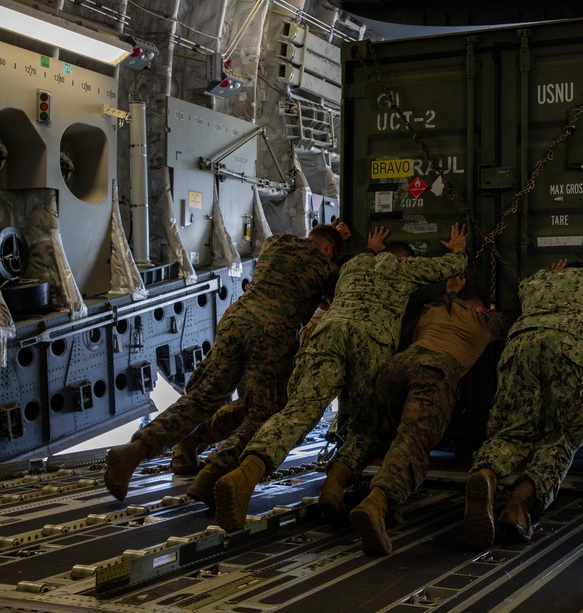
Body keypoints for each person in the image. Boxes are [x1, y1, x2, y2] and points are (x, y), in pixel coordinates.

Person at [213, 224, 469, 532]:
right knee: (364, 426)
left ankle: (244, 476)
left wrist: (370, 249)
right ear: (404, 258)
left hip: (328, 333)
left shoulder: (353, 265)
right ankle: (333, 488)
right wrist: (457, 249)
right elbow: (452, 266)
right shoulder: (405, 267)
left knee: (299, 411)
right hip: (369, 341)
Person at [103, 223, 346, 504]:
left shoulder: (276, 243)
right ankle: (214, 472)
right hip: (272, 332)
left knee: (203, 397)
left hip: (235, 319)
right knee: (266, 412)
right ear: (329, 250)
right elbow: (333, 303)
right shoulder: (325, 267)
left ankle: (135, 450)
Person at [464, 256, 583, 549]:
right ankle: (520, 503)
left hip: (521, 346)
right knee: (564, 434)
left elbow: (522, 296)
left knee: (512, 429)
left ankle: (486, 473)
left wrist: (550, 274)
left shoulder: (534, 281)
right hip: (570, 348)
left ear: (560, 269)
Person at [349, 277, 512, 555]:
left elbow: (445, 299)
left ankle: (391, 504)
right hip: (432, 372)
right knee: (413, 443)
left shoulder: (433, 308)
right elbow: (510, 320)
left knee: (402, 437)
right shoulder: (484, 322)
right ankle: (377, 502)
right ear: (481, 308)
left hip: (394, 370)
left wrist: (451, 293)